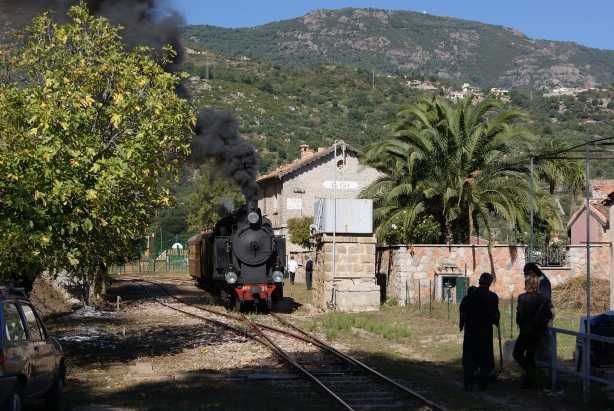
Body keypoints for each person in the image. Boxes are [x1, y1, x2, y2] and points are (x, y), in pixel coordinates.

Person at [459, 273, 500, 391]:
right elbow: (495, 315)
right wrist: (496, 320)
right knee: (485, 357)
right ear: (490, 283)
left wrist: (462, 323)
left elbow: (463, 310)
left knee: (469, 356)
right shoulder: (492, 297)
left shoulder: (470, 295)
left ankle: (468, 383)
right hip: (485, 332)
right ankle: (483, 384)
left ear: (479, 281)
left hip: (471, 331)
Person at [513, 275, 553, 388]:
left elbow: (519, 316)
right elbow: (549, 315)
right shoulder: (544, 298)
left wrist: (521, 323)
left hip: (525, 331)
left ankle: (532, 375)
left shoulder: (522, 298)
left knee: (517, 353)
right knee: (530, 356)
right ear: (536, 285)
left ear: (527, 284)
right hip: (537, 332)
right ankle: (530, 379)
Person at [523, 262, 553, 363]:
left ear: (532, 272)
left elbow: (544, 301)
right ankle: (538, 362)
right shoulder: (537, 280)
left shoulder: (543, 282)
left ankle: (545, 364)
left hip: (543, 316)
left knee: (544, 341)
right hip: (537, 316)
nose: (525, 276)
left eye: (526, 274)